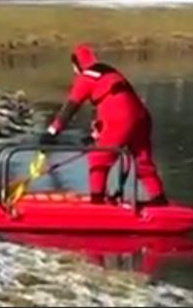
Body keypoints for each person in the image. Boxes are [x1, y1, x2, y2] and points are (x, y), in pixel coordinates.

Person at [39, 43, 168, 206]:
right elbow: (112, 102)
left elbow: (70, 108)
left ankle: (97, 201)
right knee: (142, 160)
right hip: (141, 115)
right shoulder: (109, 72)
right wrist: (95, 135)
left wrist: (52, 132)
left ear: (76, 65)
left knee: (98, 159)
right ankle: (159, 199)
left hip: (120, 117)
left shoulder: (86, 78)